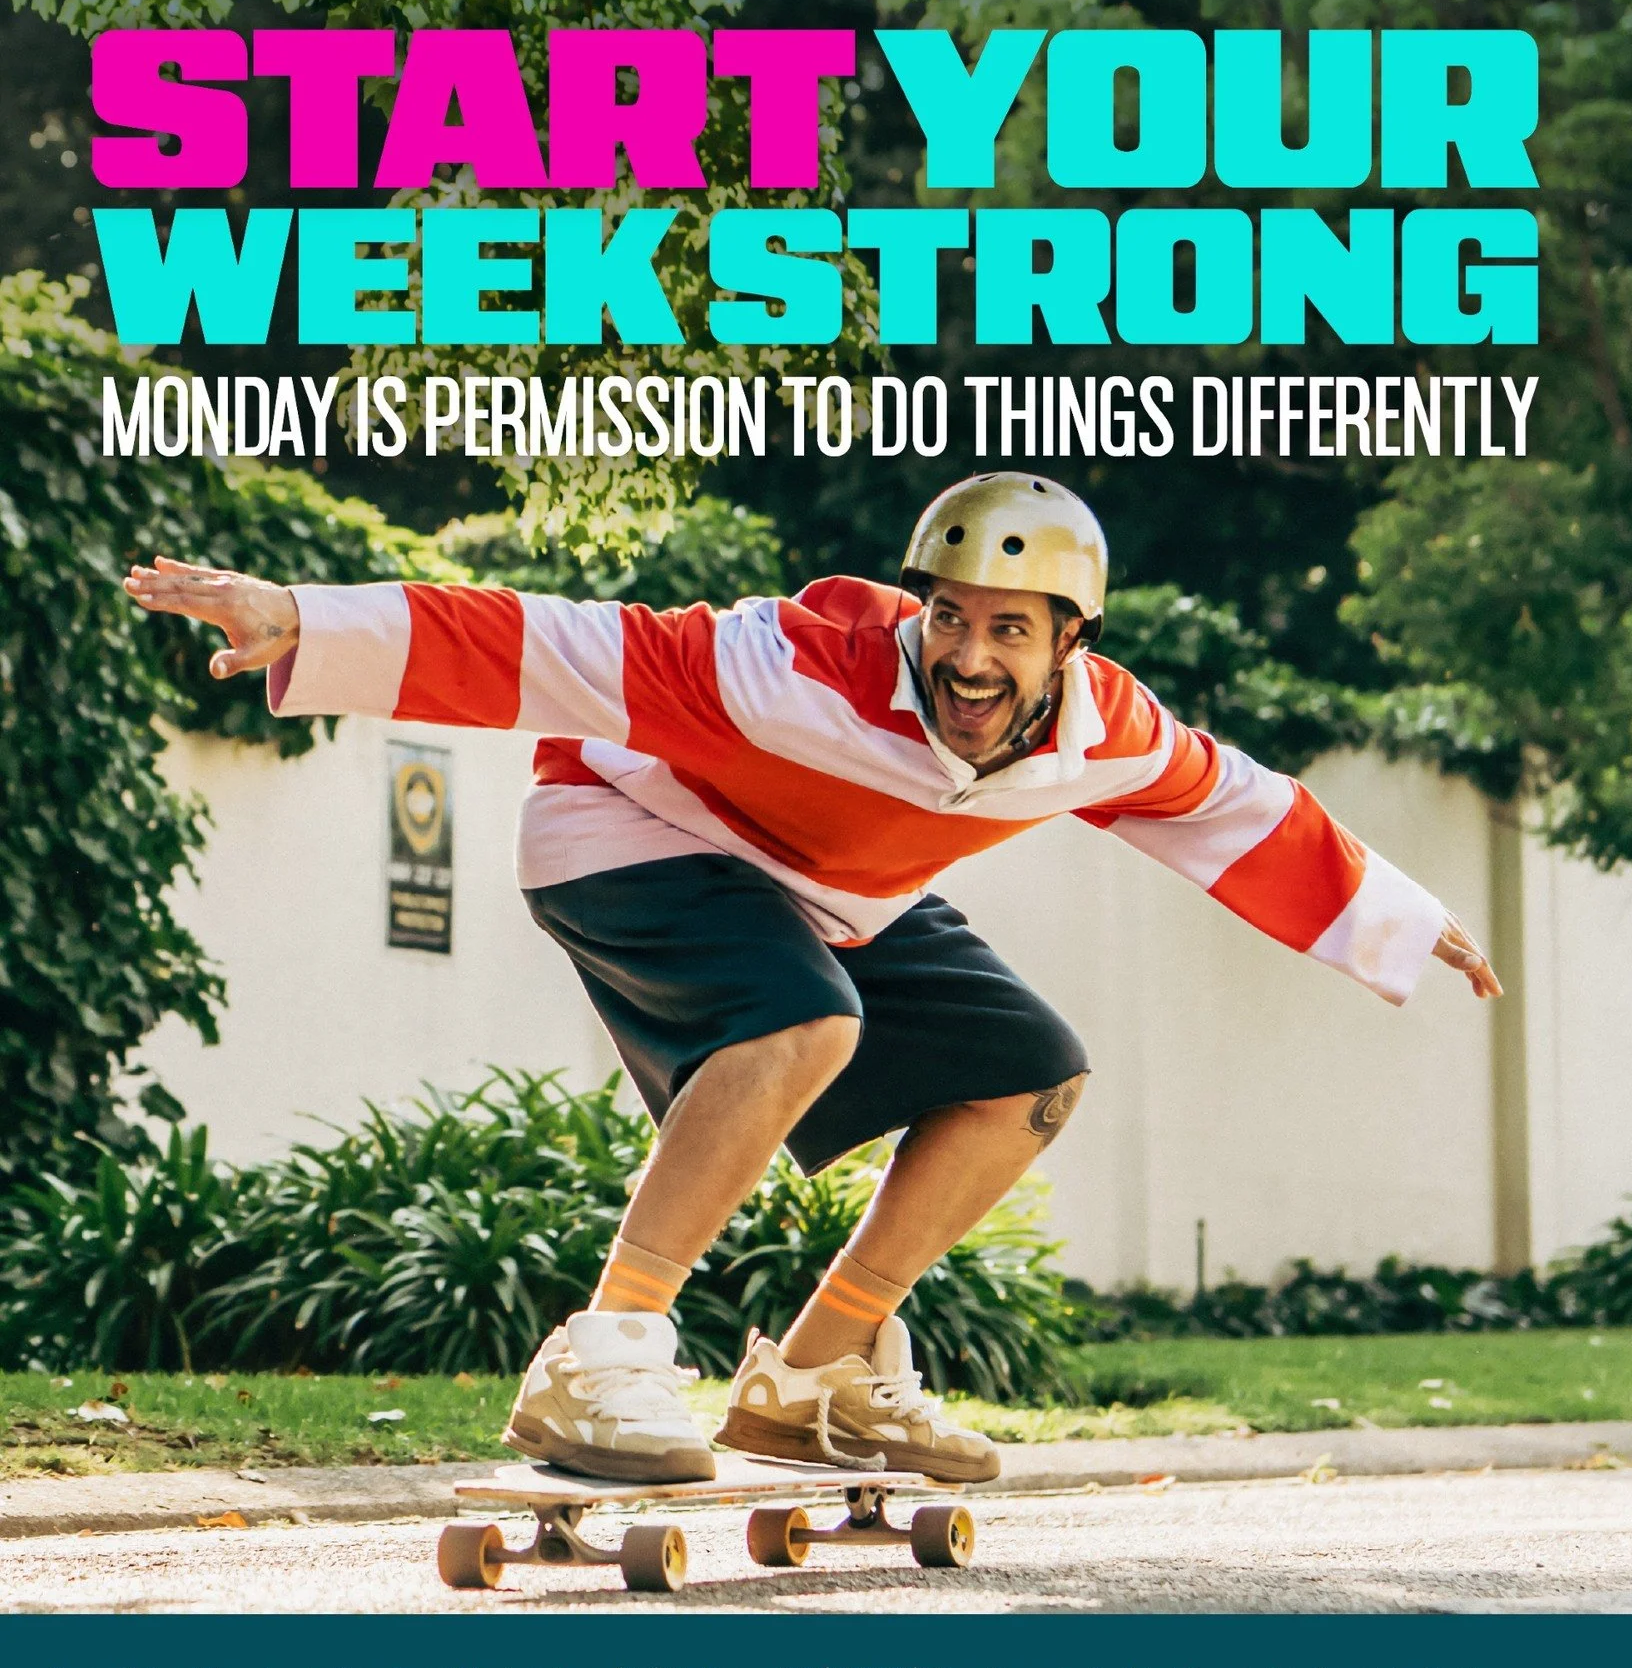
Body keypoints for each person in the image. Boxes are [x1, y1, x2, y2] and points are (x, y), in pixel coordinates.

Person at [125, 473, 1500, 1484]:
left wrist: (1394, 909)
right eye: (950, 619)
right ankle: (599, 1354)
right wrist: (305, 617)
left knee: (1029, 1075)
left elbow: (1236, 805)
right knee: (800, 1020)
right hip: (628, 834)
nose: (967, 658)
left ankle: (818, 1367)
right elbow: (547, 640)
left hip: (837, 891)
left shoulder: (1112, 733)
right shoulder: (782, 664)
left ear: (1068, 640)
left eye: (1009, 633)